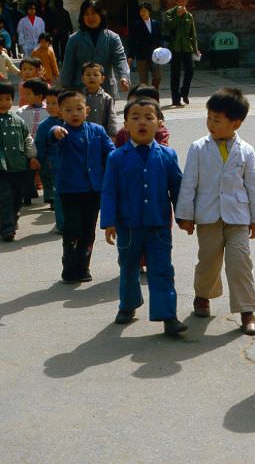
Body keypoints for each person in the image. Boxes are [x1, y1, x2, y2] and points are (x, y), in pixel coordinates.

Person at [176, 88, 255, 335]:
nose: (211, 124)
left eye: (217, 119)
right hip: (208, 216)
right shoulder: (198, 148)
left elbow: (253, 185)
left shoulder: (247, 150)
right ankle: (202, 296)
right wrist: (185, 215)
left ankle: (247, 310)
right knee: (208, 261)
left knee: (240, 262)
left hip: (238, 217)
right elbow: (189, 182)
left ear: (236, 123)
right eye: (209, 118)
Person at [101, 98, 187, 335]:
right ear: (126, 125)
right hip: (128, 226)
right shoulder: (116, 157)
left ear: (159, 123)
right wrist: (108, 221)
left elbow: (177, 188)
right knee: (129, 268)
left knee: (162, 269)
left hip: (159, 225)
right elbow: (109, 190)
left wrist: (184, 216)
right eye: (135, 117)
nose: (142, 122)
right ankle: (127, 305)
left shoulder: (167, 155)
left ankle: (168, 315)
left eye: (149, 117)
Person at [50, 89, 115, 283]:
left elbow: (111, 153)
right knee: (72, 229)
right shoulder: (61, 132)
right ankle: (69, 266)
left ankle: (83, 266)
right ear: (60, 113)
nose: (74, 113)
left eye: (79, 109)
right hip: (69, 190)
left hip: (93, 189)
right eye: (68, 110)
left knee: (88, 230)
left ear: (87, 110)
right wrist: (56, 132)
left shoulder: (97, 130)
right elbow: (50, 137)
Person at [0, 81, 39, 241]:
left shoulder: (18, 120)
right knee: (5, 197)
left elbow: (27, 138)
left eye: (7, 99)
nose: (4, 103)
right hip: (1, 169)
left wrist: (31, 156)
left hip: (19, 166)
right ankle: (6, 229)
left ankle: (13, 217)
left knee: (17, 197)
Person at [61, 0, 130, 97]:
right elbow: (67, 66)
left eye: (93, 13)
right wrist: (65, 89)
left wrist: (124, 77)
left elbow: (120, 60)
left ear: (101, 15)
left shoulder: (112, 38)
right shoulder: (74, 39)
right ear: (82, 17)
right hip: (80, 92)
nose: (90, 17)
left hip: (106, 90)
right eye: (86, 14)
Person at [162, 0, 200, 106]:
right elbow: (168, 26)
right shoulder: (170, 13)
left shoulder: (189, 15)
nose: (181, 4)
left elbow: (193, 34)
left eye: (183, 1)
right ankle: (175, 98)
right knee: (175, 74)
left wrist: (195, 49)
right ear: (176, 2)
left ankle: (184, 92)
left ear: (186, 1)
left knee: (190, 71)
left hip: (187, 47)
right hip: (175, 48)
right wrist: (177, 16)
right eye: (179, 1)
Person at [34, 87, 63, 231]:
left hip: (71, 166)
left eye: (55, 103)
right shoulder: (45, 125)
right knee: (57, 191)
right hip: (52, 163)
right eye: (48, 103)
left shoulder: (73, 123)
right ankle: (61, 224)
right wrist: (41, 160)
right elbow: (40, 145)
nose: (50, 107)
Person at [129, 2, 163, 91]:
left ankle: (153, 92)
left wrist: (162, 51)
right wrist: (131, 56)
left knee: (158, 77)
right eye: (141, 11)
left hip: (155, 55)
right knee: (143, 82)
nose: (142, 13)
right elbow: (133, 41)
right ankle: (146, 97)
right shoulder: (137, 25)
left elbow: (159, 38)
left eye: (144, 11)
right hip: (142, 56)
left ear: (149, 12)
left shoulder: (155, 23)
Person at [80, 61, 118, 137]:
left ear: (102, 79)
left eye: (95, 75)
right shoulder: (78, 97)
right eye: (88, 75)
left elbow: (112, 118)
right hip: (82, 135)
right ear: (82, 79)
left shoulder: (107, 98)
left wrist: (113, 135)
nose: (91, 77)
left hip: (101, 136)